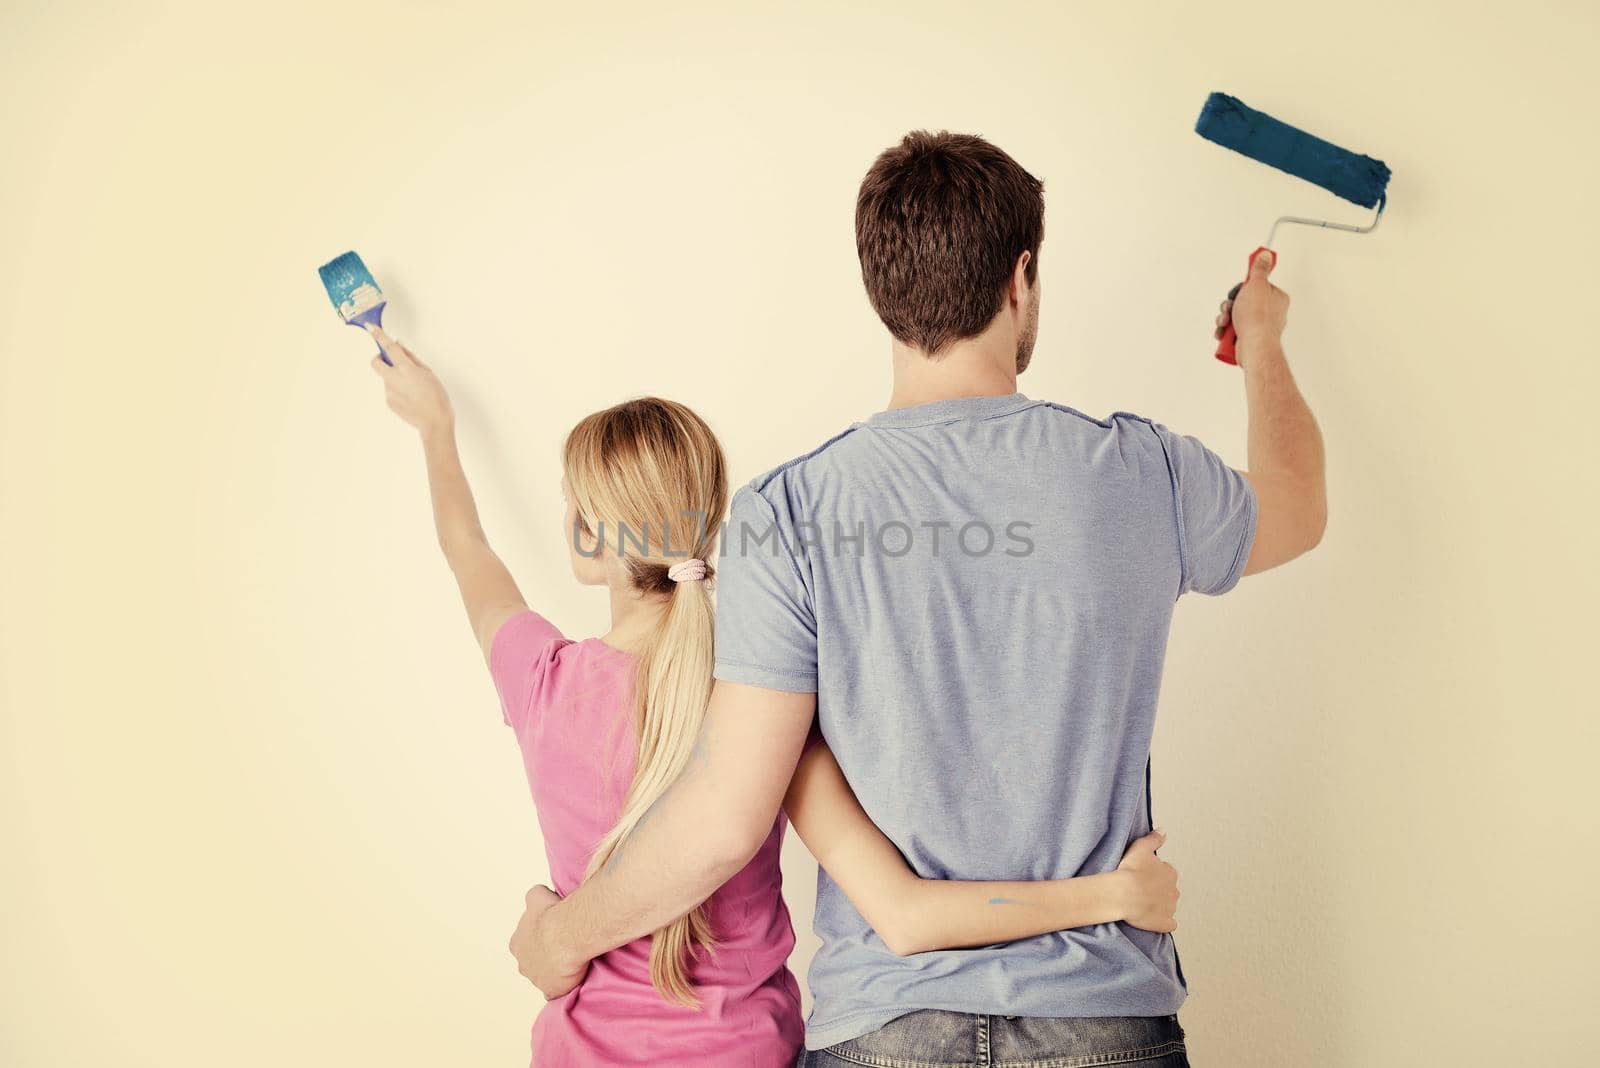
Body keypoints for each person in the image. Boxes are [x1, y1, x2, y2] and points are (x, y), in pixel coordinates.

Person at [507, 131, 1325, 1067]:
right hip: (1104, 1019)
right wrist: (1262, 341)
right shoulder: (1141, 473)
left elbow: (728, 815)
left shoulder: (791, 512)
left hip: (884, 1032)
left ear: (881, 291)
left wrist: (565, 936)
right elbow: (1297, 508)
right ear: (1021, 280)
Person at [365, 331, 1185, 1067]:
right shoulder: (769, 703)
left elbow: (466, 551)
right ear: (709, 517)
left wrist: (436, 429)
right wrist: (1110, 895)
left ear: (587, 534)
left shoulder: (541, 678)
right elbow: (902, 911)